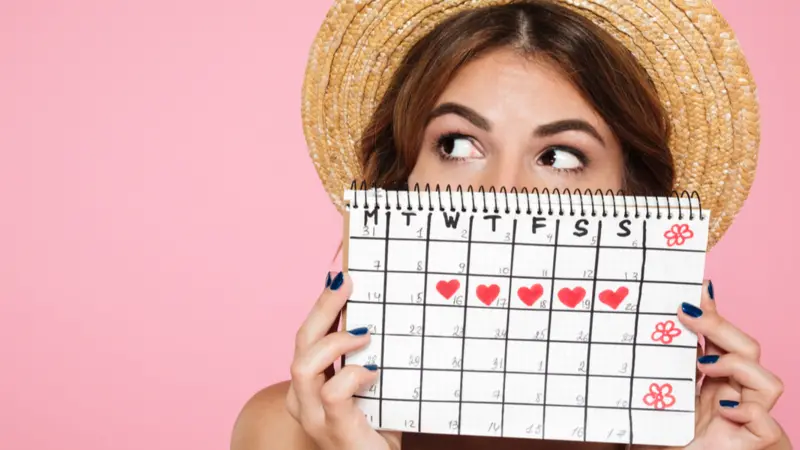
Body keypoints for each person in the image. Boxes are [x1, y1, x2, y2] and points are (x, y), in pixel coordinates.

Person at [231, 1, 791, 449]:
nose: (504, 194)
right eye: (457, 144)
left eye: (561, 157)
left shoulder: (721, 441)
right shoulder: (280, 433)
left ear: (632, 201)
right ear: (399, 182)